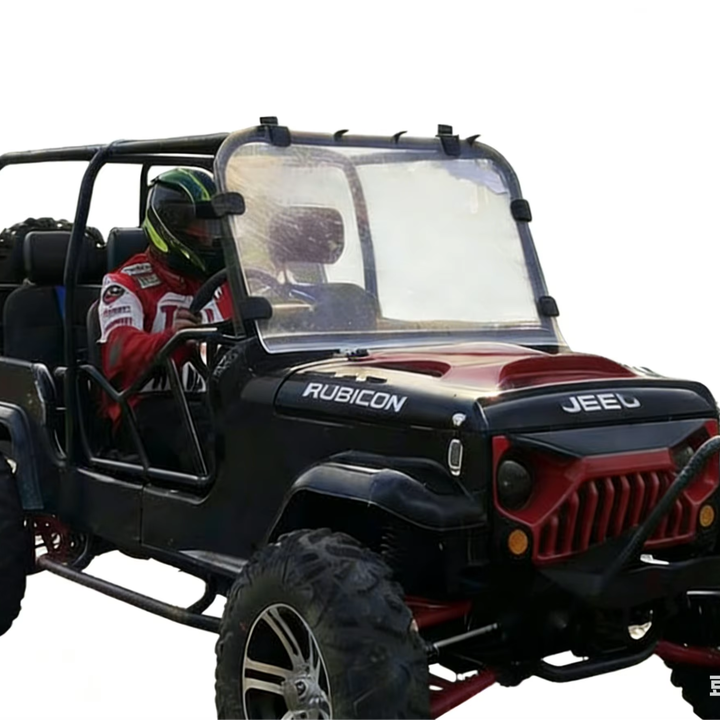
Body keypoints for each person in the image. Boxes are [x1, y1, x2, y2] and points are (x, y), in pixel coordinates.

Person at [98, 168, 233, 471]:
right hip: (146, 407)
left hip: (216, 397)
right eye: (199, 226)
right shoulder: (125, 283)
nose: (208, 236)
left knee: (269, 426)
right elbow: (118, 353)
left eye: (213, 226)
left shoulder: (228, 283)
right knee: (218, 446)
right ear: (169, 224)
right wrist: (171, 339)